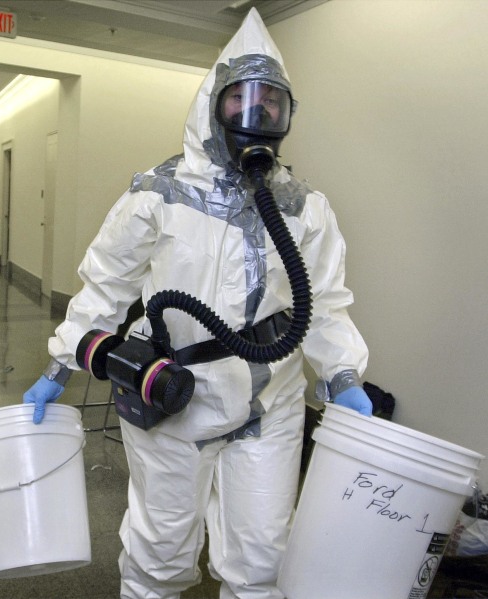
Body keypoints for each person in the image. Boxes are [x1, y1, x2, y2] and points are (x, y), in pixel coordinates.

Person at [23, 8, 372, 599]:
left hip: (270, 404)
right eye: (242, 102)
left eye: (272, 105)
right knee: (159, 553)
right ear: (213, 105)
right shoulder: (159, 194)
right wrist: (61, 364)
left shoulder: (304, 208)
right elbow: (105, 285)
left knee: (262, 559)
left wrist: (342, 375)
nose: (256, 117)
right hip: (173, 396)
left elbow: (326, 302)